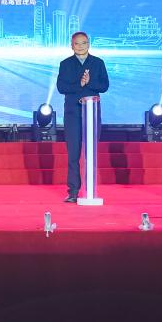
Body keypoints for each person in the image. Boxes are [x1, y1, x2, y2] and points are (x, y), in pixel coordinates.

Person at [56, 31, 110, 203]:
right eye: (77, 43)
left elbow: (104, 85)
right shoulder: (65, 64)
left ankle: (90, 189)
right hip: (72, 114)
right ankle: (73, 191)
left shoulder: (98, 63)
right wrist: (79, 84)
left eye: (84, 43)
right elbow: (61, 87)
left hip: (92, 113)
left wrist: (89, 82)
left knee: (90, 153)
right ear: (71, 46)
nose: (80, 46)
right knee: (73, 154)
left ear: (89, 44)